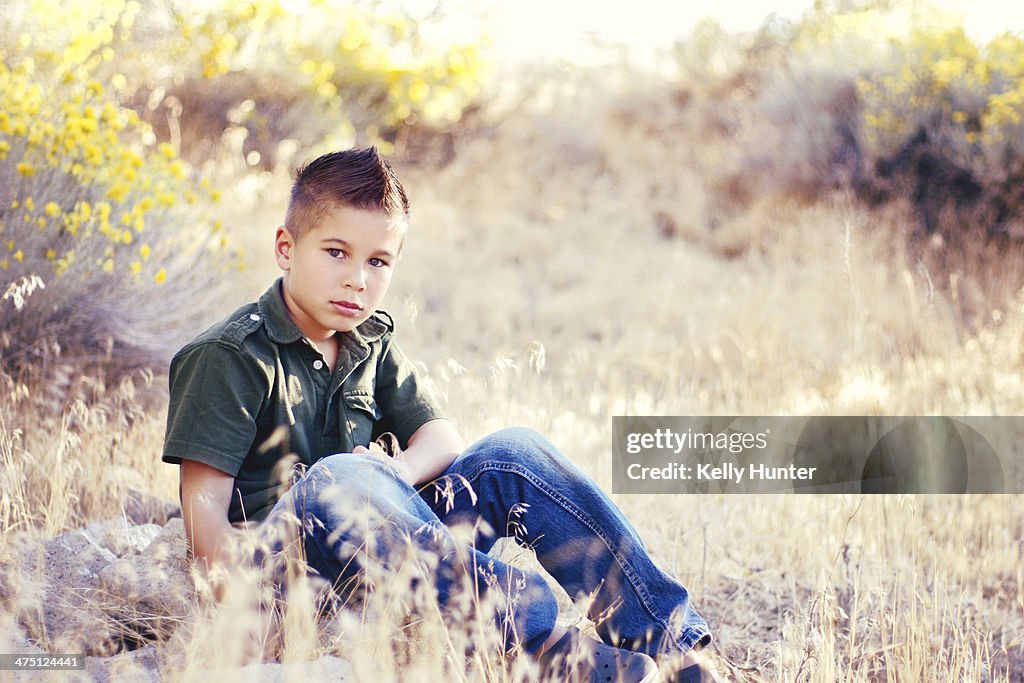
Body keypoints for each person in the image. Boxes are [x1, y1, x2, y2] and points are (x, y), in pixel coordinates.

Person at [162, 147, 720, 682]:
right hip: (287, 577)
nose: (358, 279)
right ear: (286, 247)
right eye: (337, 252)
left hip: (396, 558)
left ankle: (670, 651)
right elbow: (205, 522)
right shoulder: (229, 356)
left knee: (513, 452)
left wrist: (394, 473)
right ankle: (538, 648)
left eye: (378, 261)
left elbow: (441, 438)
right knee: (339, 475)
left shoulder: (368, 341)